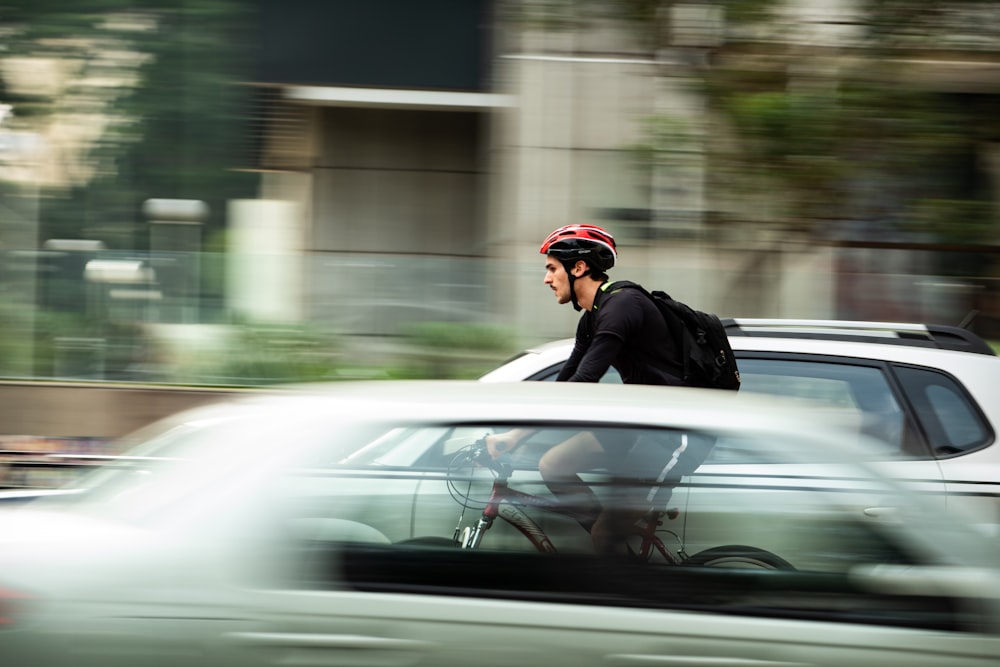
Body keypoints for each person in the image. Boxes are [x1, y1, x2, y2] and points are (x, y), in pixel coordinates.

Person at [486, 223, 712, 555]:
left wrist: (516, 436)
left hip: (677, 430)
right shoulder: (591, 318)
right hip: (644, 424)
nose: (547, 279)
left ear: (578, 267)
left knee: (605, 534)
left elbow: (583, 382)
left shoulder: (622, 306)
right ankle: (614, 545)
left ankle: (619, 569)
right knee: (554, 465)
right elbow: (565, 380)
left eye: (551, 269)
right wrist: (513, 431)